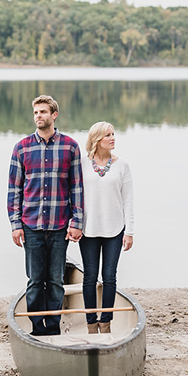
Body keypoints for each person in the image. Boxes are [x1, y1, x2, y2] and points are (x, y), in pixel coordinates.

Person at [7, 95, 84, 336]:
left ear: (54, 115)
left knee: (55, 281)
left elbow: (77, 188)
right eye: (36, 112)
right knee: (34, 281)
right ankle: (36, 328)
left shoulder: (70, 147)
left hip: (60, 225)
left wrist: (77, 222)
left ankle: (53, 328)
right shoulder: (22, 148)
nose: (38, 116)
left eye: (43, 112)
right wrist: (15, 224)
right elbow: (14, 189)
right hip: (31, 226)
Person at [80, 121, 134, 334]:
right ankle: (91, 324)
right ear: (96, 140)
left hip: (114, 230)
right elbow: (74, 197)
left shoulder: (123, 166)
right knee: (89, 277)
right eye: (107, 135)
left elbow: (128, 200)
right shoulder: (82, 165)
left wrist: (129, 231)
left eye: (113, 134)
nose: (113, 138)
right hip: (88, 229)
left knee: (110, 276)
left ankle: (106, 322)